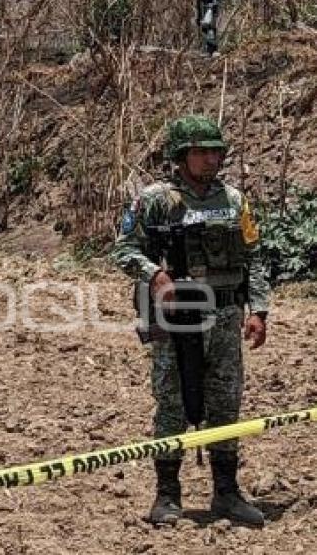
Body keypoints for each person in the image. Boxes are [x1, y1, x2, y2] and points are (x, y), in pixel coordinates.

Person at [111, 115, 270, 526]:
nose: (210, 159)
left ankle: (227, 493)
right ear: (181, 156)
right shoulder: (155, 199)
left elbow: (253, 256)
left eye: (215, 151)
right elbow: (125, 249)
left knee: (225, 401)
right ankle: (167, 494)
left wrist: (259, 311)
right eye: (201, 152)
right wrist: (156, 275)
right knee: (172, 402)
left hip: (227, 316)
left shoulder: (234, 201)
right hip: (178, 320)